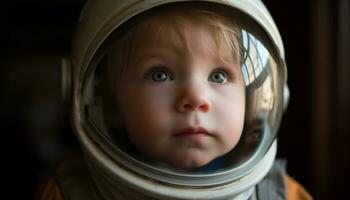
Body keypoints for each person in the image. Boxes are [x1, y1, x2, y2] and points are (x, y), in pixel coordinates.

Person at [38, 0, 312, 199]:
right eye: (160, 74)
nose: (195, 98)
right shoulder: (69, 193)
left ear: (251, 101)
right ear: (111, 104)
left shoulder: (281, 194)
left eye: (218, 76)